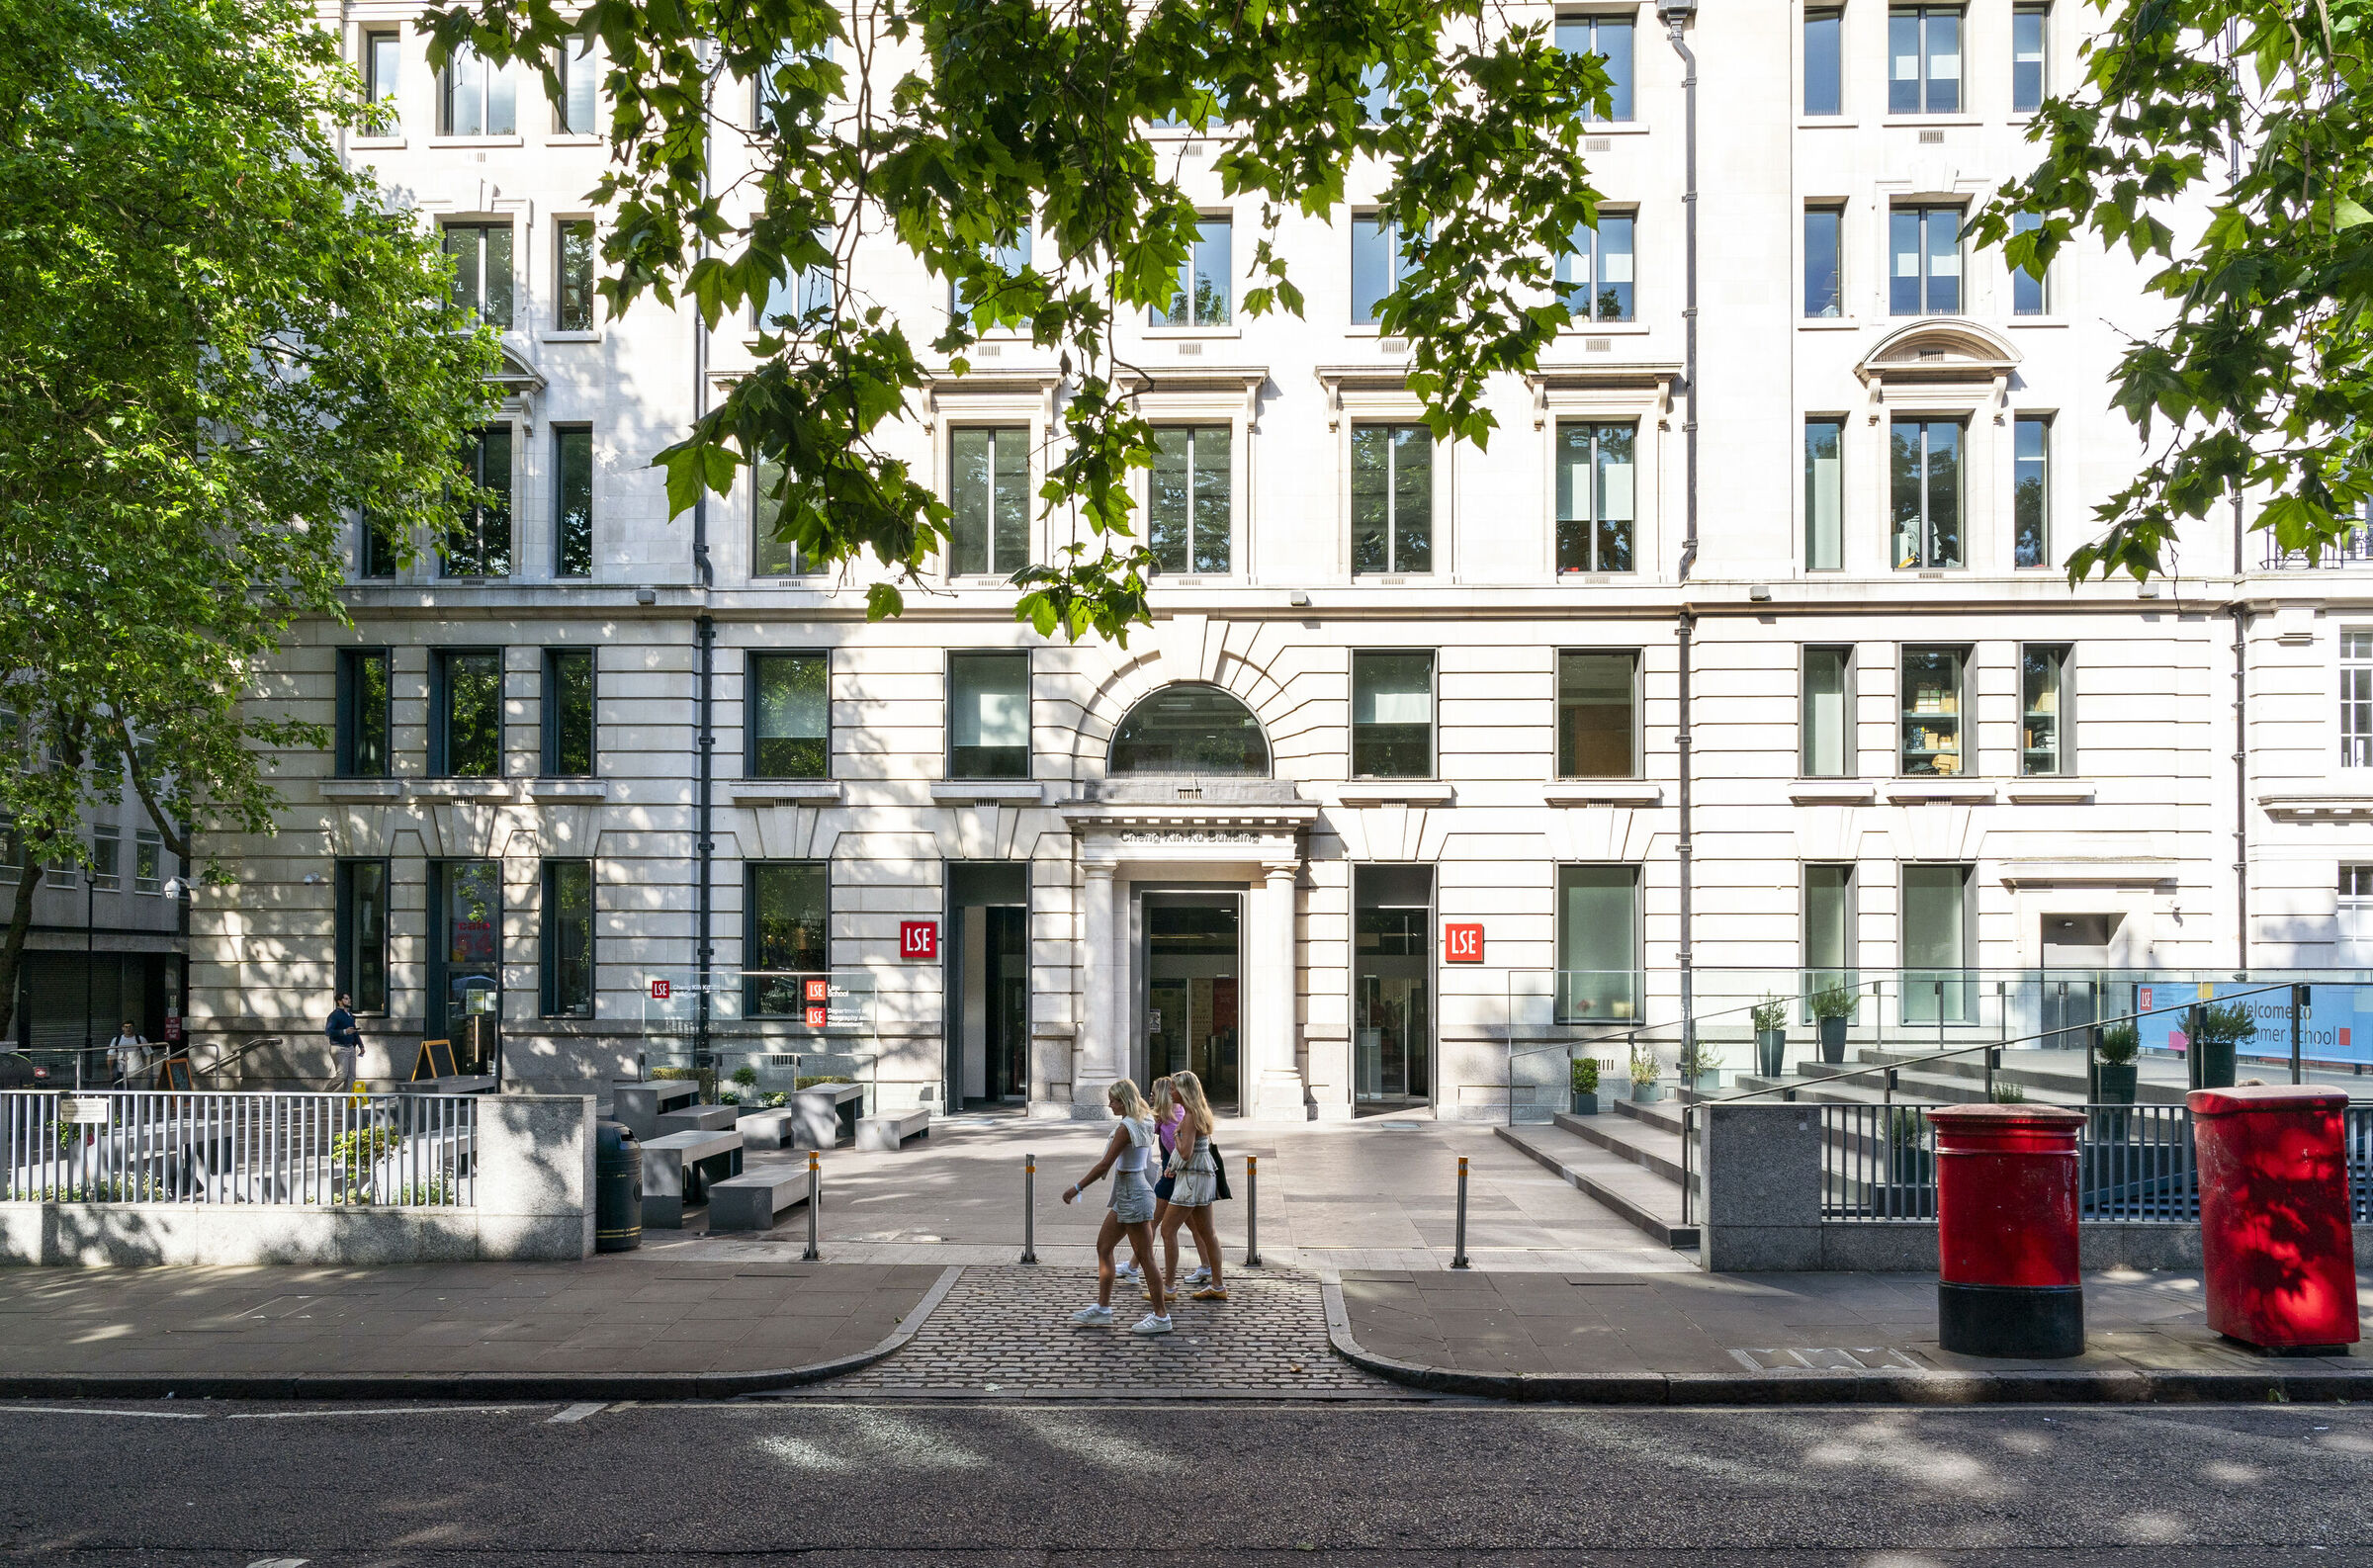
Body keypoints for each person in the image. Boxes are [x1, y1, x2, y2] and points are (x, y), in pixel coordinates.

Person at [1060, 1079, 1172, 1335]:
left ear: (1125, 1101)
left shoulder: (1127, 1126)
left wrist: (1075, 1188)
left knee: (1146, 1258)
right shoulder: (1144, 1120)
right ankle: (1103, 1308)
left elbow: (1104, 1165)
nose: (1109, 1104)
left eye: (1113, 1100)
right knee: (1104, 1247)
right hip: (1129, 1193)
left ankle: (1160, 1315)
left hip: (1133, 1194)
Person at [1159, 1069, 1227, 1301]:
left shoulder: (1188, 1117)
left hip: (1191, 1181)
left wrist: (1177, 1135)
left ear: (1184, 1091)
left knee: (1167, 1230)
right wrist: (1173, 1165)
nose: (1170, 1091)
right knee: (1208, 1233)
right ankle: (1218, 1285)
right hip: (1204, 1177)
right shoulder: (1199, 1113)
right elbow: (1197, 1150)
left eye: (1174, 1088)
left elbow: (1186, 1153)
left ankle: (1168, 1288)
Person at [324, 992, 362, 1092]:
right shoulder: (334, 1015)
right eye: (346, 999)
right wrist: (344, 1032)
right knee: (342, 1075)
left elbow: (355, 1032)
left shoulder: (350, 1015)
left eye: (349, 998)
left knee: (351, 1077)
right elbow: (328, 1032)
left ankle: (346, 1101)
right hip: (339, 1047)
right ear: (339, 1001)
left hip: (350, 1047)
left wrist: (361, 1046)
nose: (349, 1000)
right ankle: (322, 1096)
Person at [105, 1021, 148, 1089]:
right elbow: (110, 1056)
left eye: (130, 1027)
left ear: (133, 1028)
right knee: (122, 1091)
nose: (128, 1029)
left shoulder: (140, 1039)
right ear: (123, 1028)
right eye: (126, 1027)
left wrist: (147, 1069)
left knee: (135, 1091)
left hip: (136, 1071)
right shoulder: (116, 1040)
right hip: (121, 1071)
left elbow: (148, 1054)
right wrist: (110, 1072)